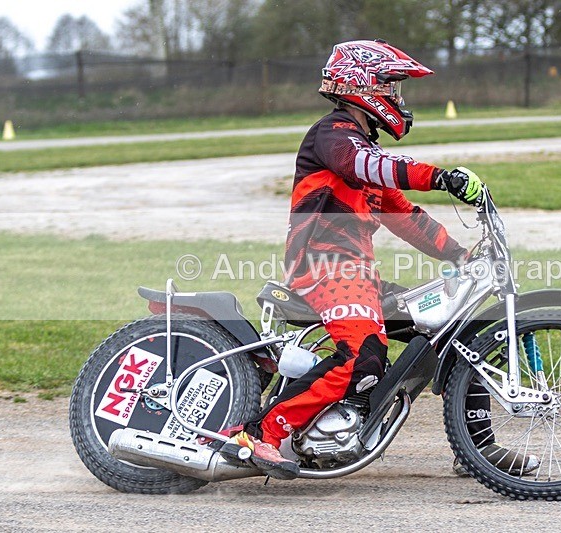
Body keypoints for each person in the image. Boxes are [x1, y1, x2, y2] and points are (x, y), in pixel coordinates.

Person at [220, 40, 537, 480]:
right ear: (362, 84)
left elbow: (406, 217)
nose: (397, 99)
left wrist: (463, 255)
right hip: (324, 267)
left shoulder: (360, 150)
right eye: (392, 87)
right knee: (362, 355)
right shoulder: (333, 136)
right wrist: (441, 177)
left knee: (459, 332)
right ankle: (260, 435)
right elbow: (372, 166)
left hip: (358, 276)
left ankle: (477, 450)